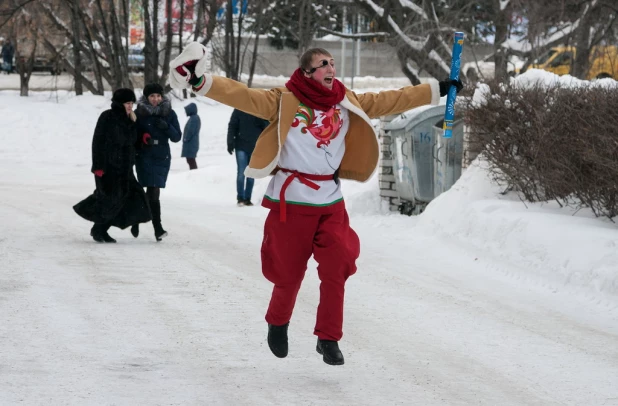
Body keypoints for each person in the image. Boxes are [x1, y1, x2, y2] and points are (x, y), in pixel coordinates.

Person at [169, 42, 462, 366]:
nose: (331, 69)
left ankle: (328, 337)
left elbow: (390, 99)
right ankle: (278, 322)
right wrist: (200, 81)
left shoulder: (346, 100)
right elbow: (240, 95)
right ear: (307, 73)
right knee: (289, 273)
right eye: (324, 64)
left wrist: (438, 90)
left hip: (330, 201)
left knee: (338, 262)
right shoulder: (283, 100)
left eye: (332, 63)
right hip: (292, 202)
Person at [73, 88, 152, 243]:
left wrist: (143, 139)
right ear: (119, 103)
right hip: (108, 169)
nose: (130, 106)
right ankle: (99, 229)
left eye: (131, 103)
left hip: (126, 169)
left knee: (134, 197)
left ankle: (104, 228)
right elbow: (97, 142)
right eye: (127, 103)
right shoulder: (107, 117)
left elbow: (132, 143)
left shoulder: (131, 119)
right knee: (109, 201)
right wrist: (98, 167)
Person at [132, 83, 182, 241]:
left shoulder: (169, 113)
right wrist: (141, 138)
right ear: (147, 97)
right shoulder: (138, 113)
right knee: (148, 189)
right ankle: (152, 226)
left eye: (158, 96)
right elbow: (130, 134)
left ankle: (149, 223)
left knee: (154, 190)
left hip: (161, 156)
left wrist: (166, 127)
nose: (155, 99)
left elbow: (176, 137)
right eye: (152, 96)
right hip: (144, 154)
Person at [227, 108, 269, 206]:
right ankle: (240, 198)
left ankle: (247, 198)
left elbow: (267, 127)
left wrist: (262, 122)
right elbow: (232, 125)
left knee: (251, 174)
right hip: (240, 146)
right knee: (241, 173)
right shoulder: (239, 109)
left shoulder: (259, 110)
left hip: (254, 147)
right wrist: (230, 141)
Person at [181, 102, 201, 170]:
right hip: (191, 143)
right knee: (190, 159)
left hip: (191, 143)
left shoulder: (194, 118)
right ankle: (194, 172)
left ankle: (194, 173)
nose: (186, 112)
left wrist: (186, 138)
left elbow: (190, 130)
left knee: (190, 159)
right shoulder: (194, 118)